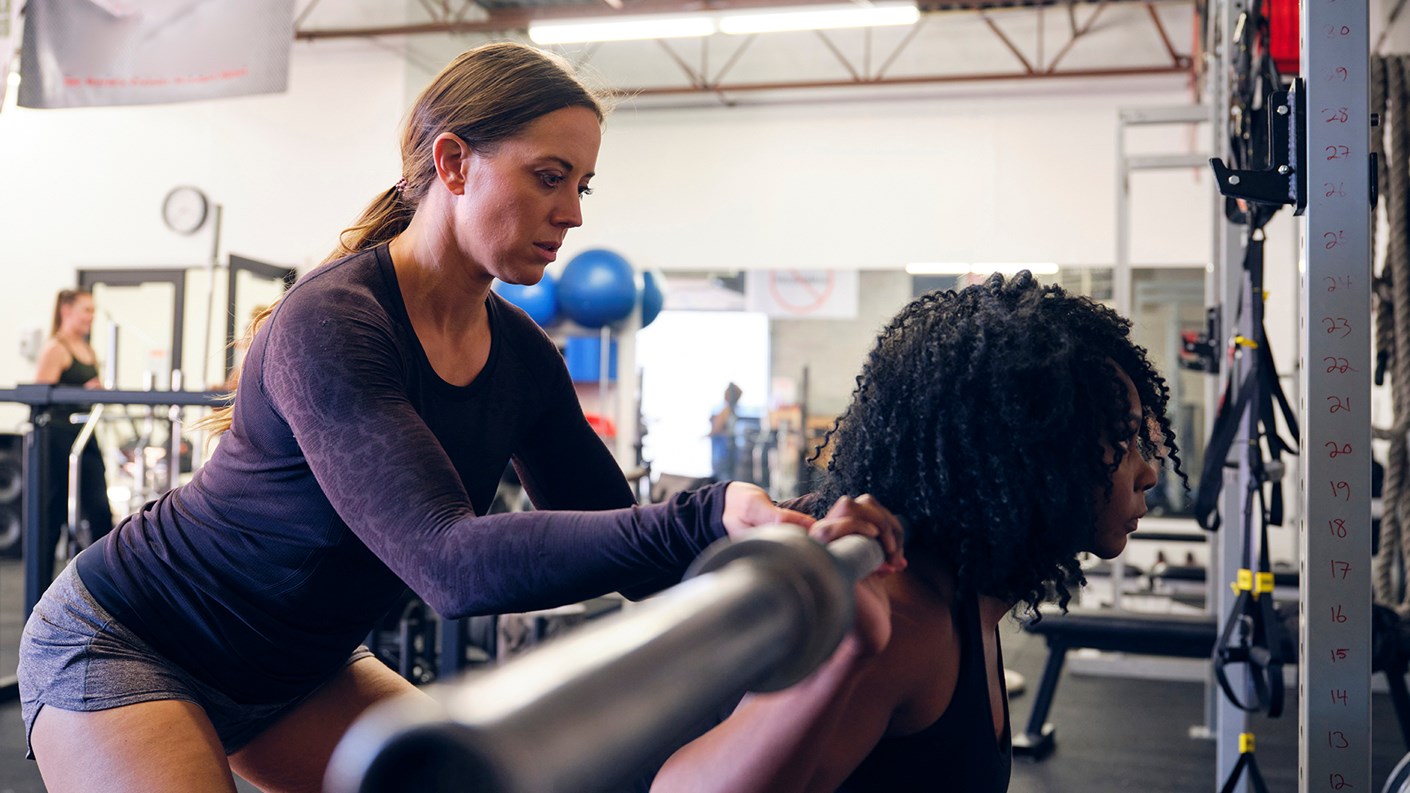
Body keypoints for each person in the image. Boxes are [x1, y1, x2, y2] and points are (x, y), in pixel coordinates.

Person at [17, 43, 904, 793]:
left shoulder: (522, 356)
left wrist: (799, 544)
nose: (573, 213)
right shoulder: (334, 322)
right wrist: (709, 514)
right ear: (451, 163)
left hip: (299, 669)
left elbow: (623, 537)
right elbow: (449, 562)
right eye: (549, 177)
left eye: (584, 184)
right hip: (135, 637)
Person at [652, 272, 1183, 793]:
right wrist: (847, 651)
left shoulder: (969, 594)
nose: (1148, 472)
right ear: (1033, 453)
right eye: (1124, 440)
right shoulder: (908, 620)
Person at [31, 288, 113, 586]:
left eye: (92, 310)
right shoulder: (56, 347)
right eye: (86, 310)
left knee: (100, 512)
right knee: (52, 517)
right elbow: (40, 395)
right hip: (57, 441)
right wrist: (81, 394)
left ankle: (100, 588)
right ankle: (38, 590)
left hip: (84, 436)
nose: (91, 316)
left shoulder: (88, 349)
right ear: (66, 311)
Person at [709, 382, 743, 481]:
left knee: (721, 480)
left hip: (722, 453)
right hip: (729, 452)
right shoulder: (732, 411)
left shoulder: (725, 411)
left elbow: (716, 429)